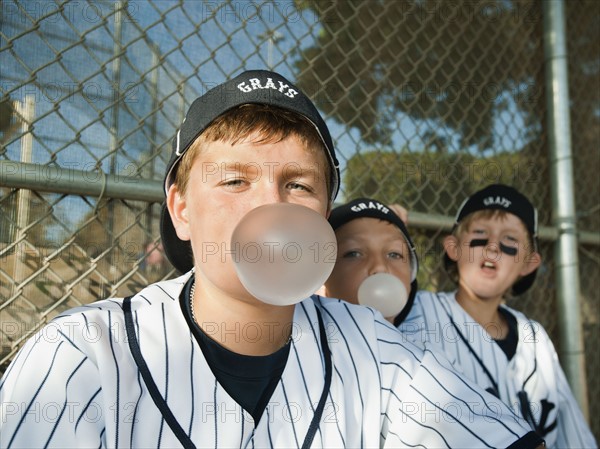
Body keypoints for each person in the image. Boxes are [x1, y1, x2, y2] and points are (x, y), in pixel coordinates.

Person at [0, 71, 544, 448]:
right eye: (235, 180)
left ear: (324, 215)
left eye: (299, 185)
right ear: (181, 209)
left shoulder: (373, 345)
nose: (270, 205)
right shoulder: (80, 355)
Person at [398, 183, 597, 449]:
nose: (493, 248)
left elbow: (575, 437)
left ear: (528, 263)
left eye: (510, 242)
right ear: (453, 247)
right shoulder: (416, 310)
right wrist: (384, 232)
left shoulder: (535, 337)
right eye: (480, 234)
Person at [324, 197, 418, 325]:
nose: (380, 267)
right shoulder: (301, 338)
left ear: (411, 276)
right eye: (354, 254)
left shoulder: (425, 338)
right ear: (322, 277)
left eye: (394, 254)